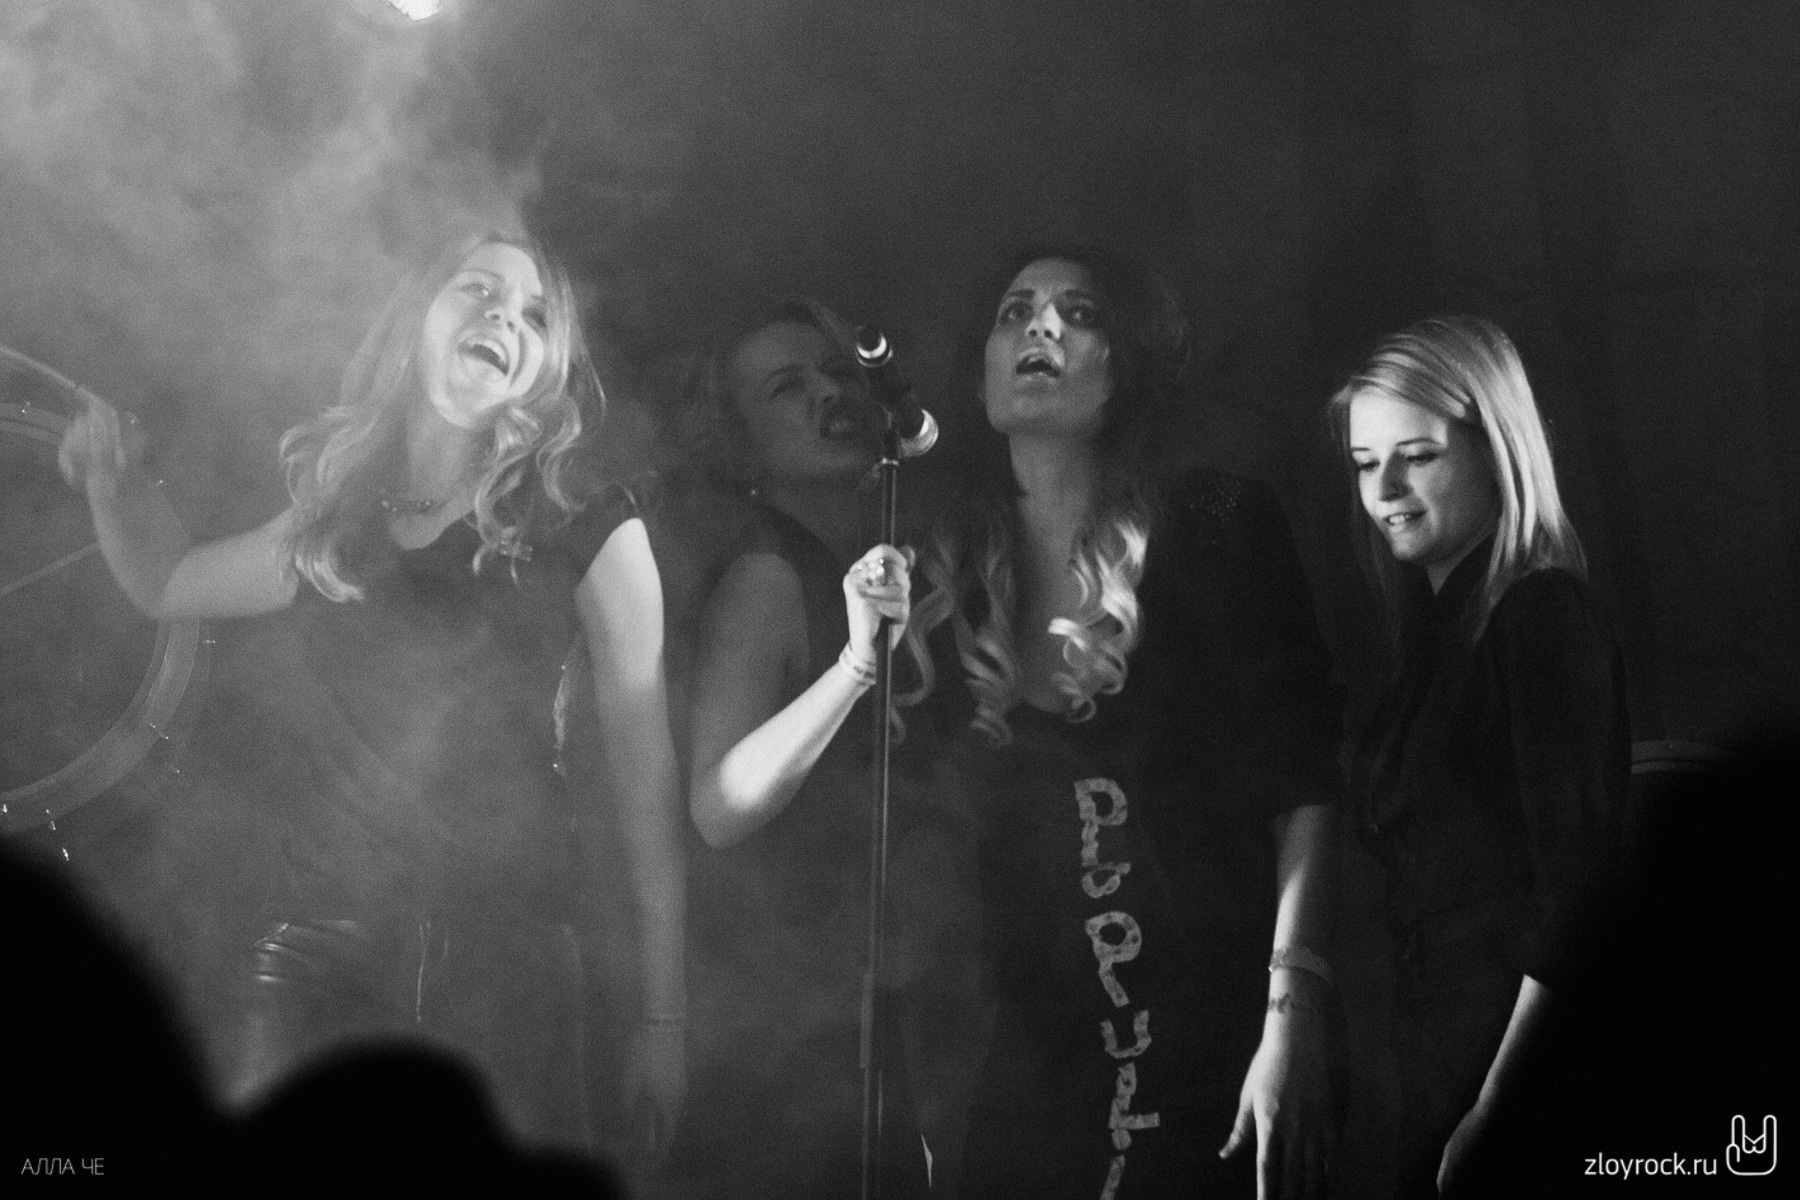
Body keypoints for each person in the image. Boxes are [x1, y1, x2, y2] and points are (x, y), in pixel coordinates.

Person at [57, 231, 687, 1157]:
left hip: (502, 953)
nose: (504, 317)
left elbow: (646, 780)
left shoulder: (586, 519)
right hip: (317, 948)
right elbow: (170, 581)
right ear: (419, 319)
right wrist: (112, 484)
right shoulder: (343, 513)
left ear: (544, 369)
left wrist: (664, 1021)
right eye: (478, 290)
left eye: (534, 314)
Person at [910, 246, 1345, 1199]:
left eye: (1081, 313)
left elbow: (1306, 786)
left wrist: (1292, 1017)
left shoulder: (1218, 521)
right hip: (1028, 1073)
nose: (1040, 326)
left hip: (1214, 1042)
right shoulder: (942, 576)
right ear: (981, 373)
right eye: (1014, 311)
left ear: (1128, 365)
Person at [1329, 315, 1627, 1197]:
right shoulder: (1434, 637)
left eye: (1416, 456)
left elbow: (1581, 898)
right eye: (1363, 463)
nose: (1384, 488)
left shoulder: (1540, 614)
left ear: (1497, 449)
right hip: (1435, 1059)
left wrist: (1499, 1106)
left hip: (1507, 1069)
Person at [668, 298, 929, 1198]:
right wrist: (856, 667)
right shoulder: (767, 575)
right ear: (742, 449)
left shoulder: (853, 559)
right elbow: (715, 805)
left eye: (835, 371)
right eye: (786, 387)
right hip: (779, 1024)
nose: (829, 394)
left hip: (848, 999)